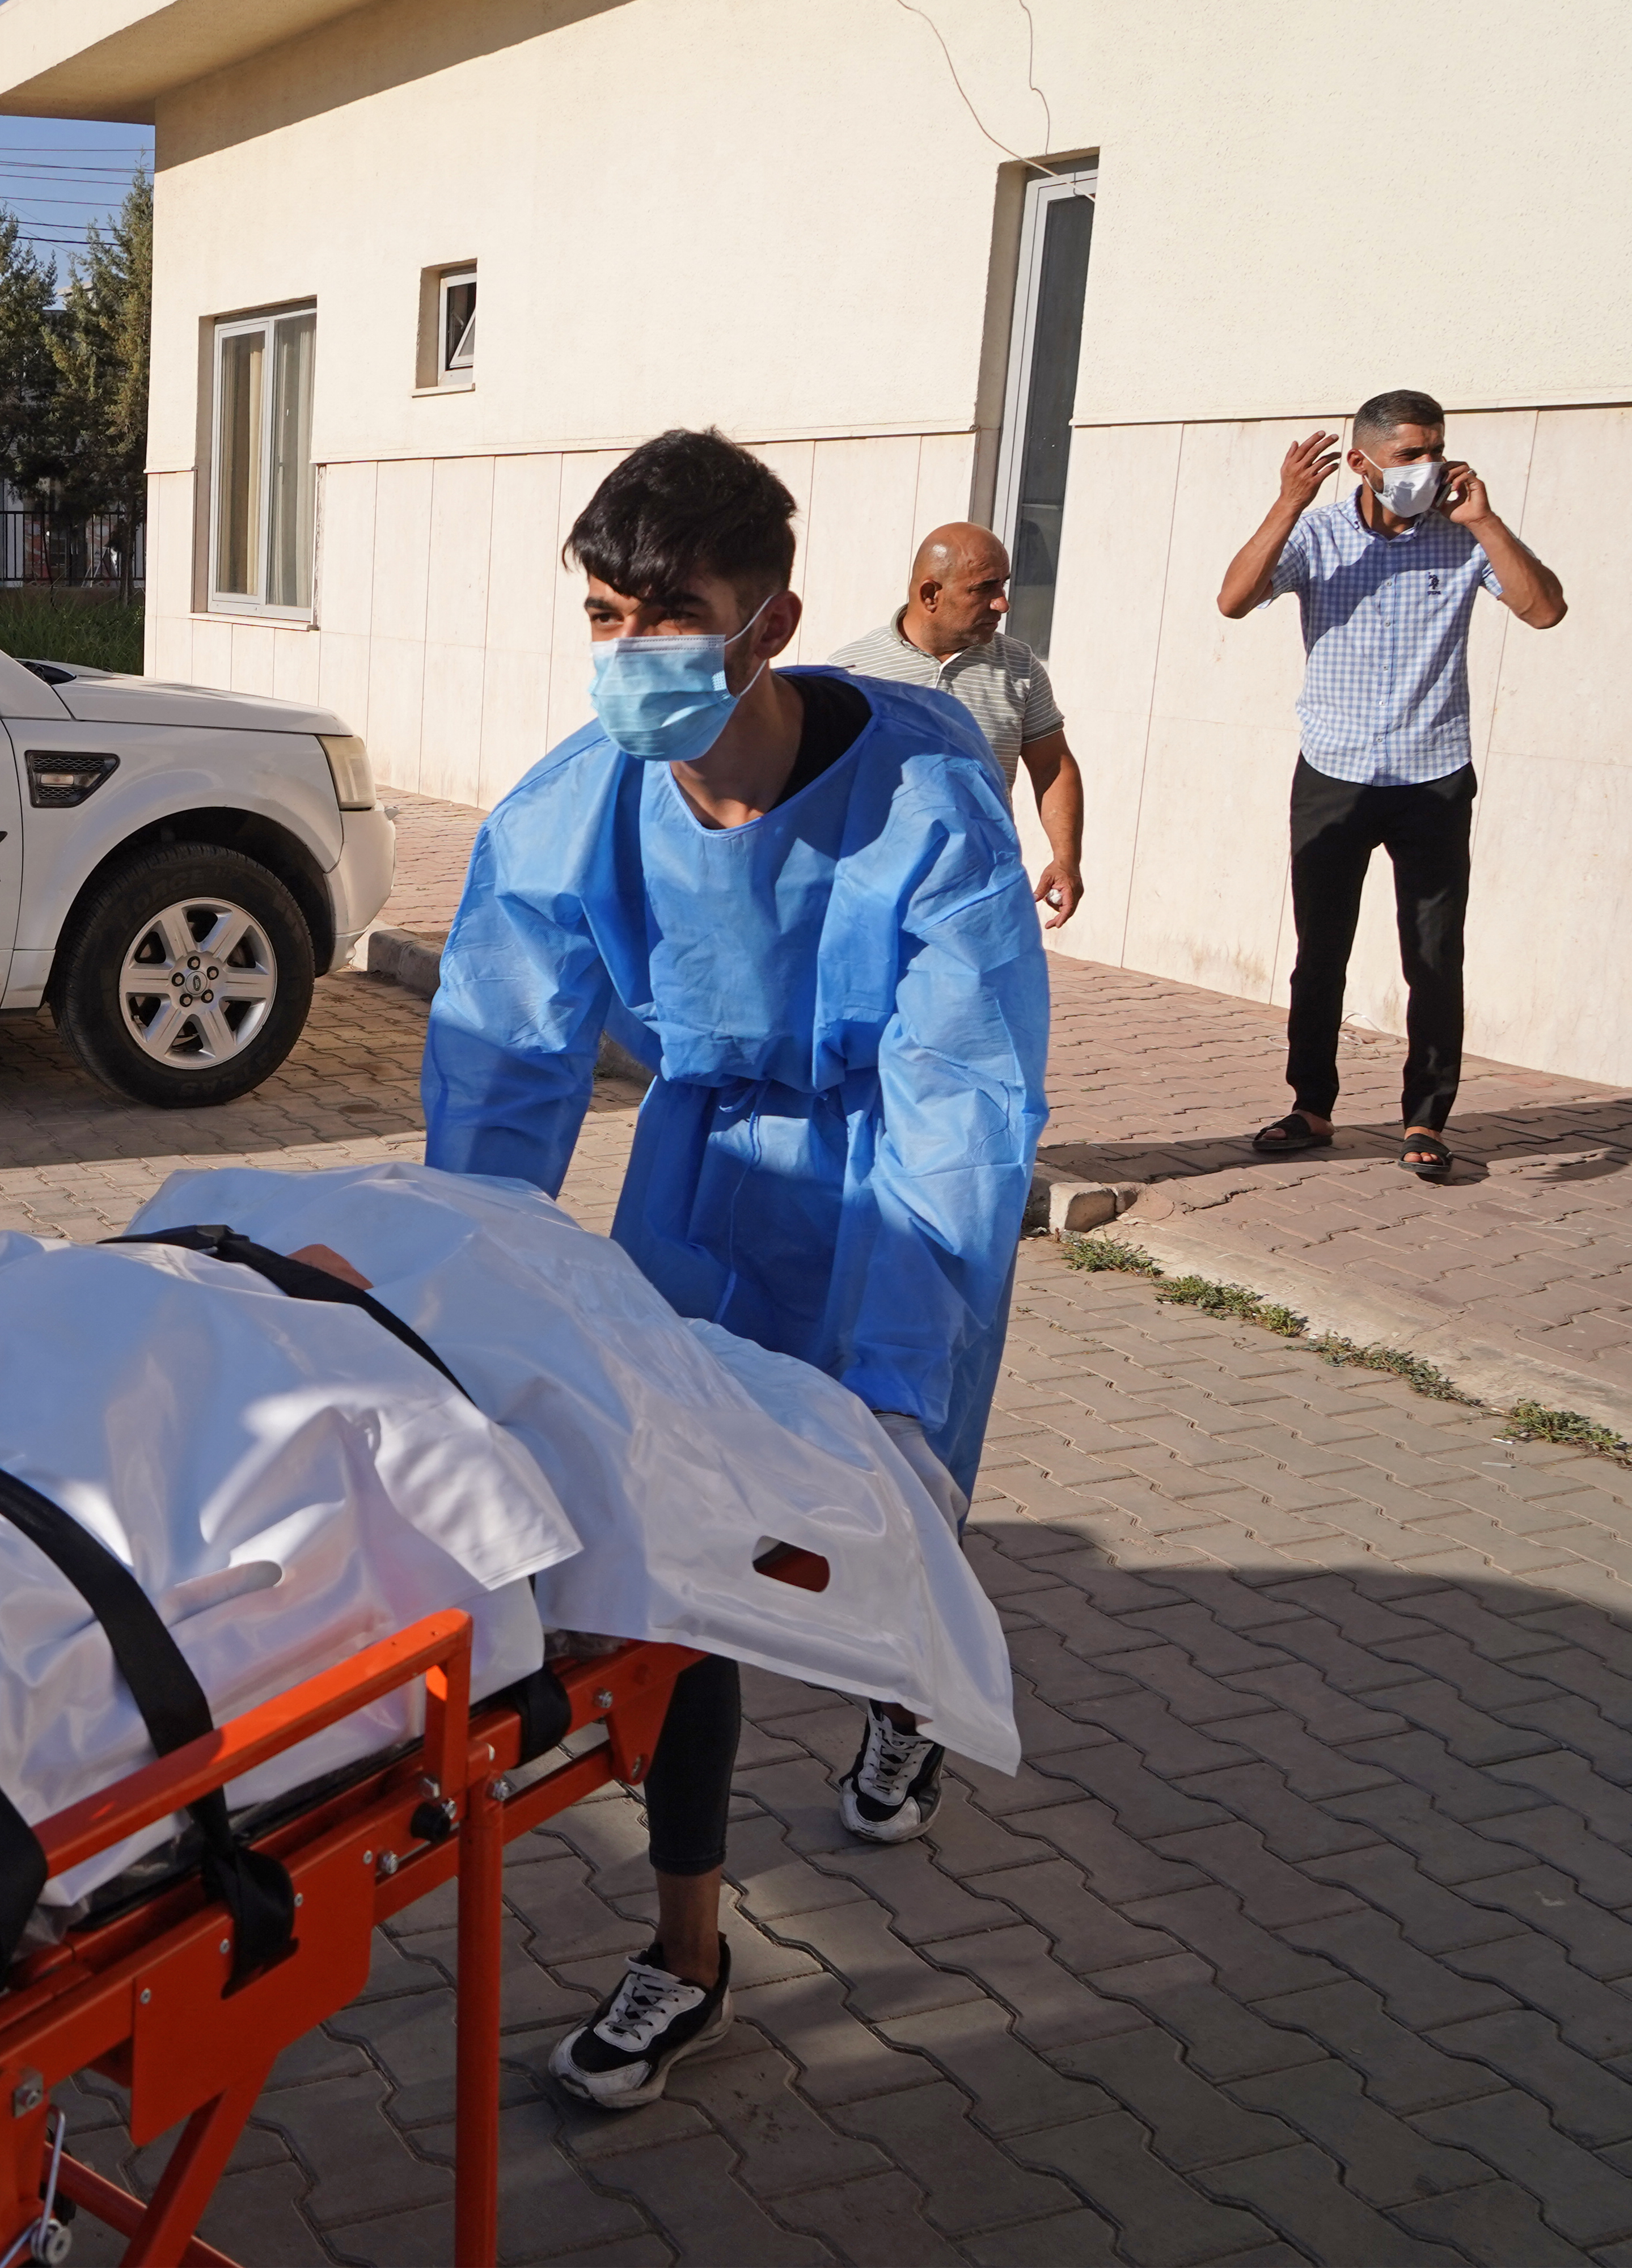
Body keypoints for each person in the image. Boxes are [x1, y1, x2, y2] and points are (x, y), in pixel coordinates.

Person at [422, 430, 1049, 2110]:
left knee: (881, 1493)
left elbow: (953, 1098)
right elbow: (497, 1069)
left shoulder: (924, 807)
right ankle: (684, 1950)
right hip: (697, 1177)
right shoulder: (571, 813)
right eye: (602, 611)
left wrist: (897, 1385)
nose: (629, 653)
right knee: (685, 1564)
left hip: (878, 1193)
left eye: (669, 617)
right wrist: (453, 1328)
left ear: (766, 621)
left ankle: (898, 1679)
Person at [1215, 389, 1567, 1182]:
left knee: (1435, 956)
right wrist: (1288, 502)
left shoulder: (1462, 534)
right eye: (1410, 453)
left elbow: (1545, 611)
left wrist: (1483, 521)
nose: (1428, 466)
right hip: (1334, 772)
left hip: (1433, 774)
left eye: (1435, 449)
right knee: (1321, 951)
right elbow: (1234, 599)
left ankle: (1425, 1119)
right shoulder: (1320, 532)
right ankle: (1312, 1105)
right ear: (1364, 458)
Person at [828, 523, 1088, 927]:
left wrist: (1066, 859)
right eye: (984, 589)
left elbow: (1052, 765)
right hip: (871, 899)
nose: (1003, 604)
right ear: (931, 595)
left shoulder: (1020, 668)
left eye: (1003, 586)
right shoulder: (853, 673)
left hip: (980, 896)